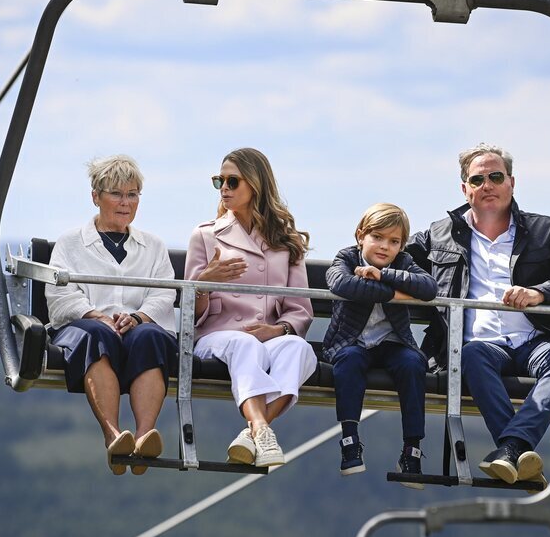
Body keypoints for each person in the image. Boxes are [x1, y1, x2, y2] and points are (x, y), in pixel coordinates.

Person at [406, 143, 550, 488]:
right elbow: (389, 257)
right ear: (465, 188)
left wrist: (540, 293)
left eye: (495, 176)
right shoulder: (438, 236)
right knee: (471, 354)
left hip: (539, 339)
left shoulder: (548, 232)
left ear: (511, 182)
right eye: (477, 180)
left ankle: (509, 450)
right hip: (481, 345)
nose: (487, 185)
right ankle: (517, 452)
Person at [46, 155, 178, 476]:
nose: (125, 202)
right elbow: (60, 295)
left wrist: (137, 318)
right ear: (96, 196)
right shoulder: (70, 244)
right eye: (116, 194)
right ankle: (114, 436)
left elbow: (163, 293)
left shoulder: (153, 246)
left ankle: (144, 436)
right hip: (85, 329)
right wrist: (96, 315)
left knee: (151, 337)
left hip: (136, 330)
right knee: (97, 334)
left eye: (132, 194)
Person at [185, 148, 316, 468]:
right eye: (219, 181)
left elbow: (299, 307)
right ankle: (261, 429)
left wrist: (278, 329)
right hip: (218, 336)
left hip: (267, 335)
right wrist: (204, 282)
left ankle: (253, 433)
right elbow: (190, 311)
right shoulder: (205, 235)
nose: (224, 189)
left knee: (299, 350)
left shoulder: (287, 241)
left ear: (255, 185)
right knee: (243, 344)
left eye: (232, 181)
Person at [324, 203, 437, 488]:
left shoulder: (403, 263)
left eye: (394, 241)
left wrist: (383, 275)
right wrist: (398, 294)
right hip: (352, 341)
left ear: (402, 245)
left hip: (392, 342)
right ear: (361, 235)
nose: (385, 247)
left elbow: (429, 288)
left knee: (412, 365)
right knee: (348, 362)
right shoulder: (346, 258)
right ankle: (350, 440)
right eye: (377, 237)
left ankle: (412, 450)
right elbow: (344, 286)